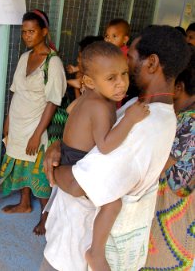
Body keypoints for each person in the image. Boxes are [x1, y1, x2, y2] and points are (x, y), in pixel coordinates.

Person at [42, 25, 191, 271]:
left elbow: (79, 185)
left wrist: (53, 170)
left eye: (129, 60)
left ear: (151, 63)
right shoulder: (142, 106)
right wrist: (59, 146)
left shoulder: (146, 123)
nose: (125, 74)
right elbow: (91, 138)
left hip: (74, 254)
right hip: (72, 239)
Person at [59, 41, 150, 270]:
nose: (121, 83)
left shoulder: (94, 98)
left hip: (71, 158)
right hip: (75, 163)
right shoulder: (100, 105)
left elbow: (73, 113)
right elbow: (106, 145)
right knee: (113, 204)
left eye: (124, 74)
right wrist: (130, 119)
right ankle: (96, 253)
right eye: (111, 78)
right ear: (89, 82)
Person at [0, 10, 67, 235]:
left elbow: (53, 102)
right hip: (18, 122)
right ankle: (24, 204)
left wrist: (38, 134)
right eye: (24, 32)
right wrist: (8, 121)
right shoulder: (23, 58)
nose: (27, 36)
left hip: (36, 125)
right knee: (21, 165)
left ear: (44, 32)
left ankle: (45, 217)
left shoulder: (53, 63)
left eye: (32, 31)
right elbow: (15, 92)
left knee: (38, 172)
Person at [143, 46, 195, 270]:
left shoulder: (188, 121)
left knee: (160, 255)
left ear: (179, 87)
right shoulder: (185, 116)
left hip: (174, 200)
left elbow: (164, 163)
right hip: (176, 196)